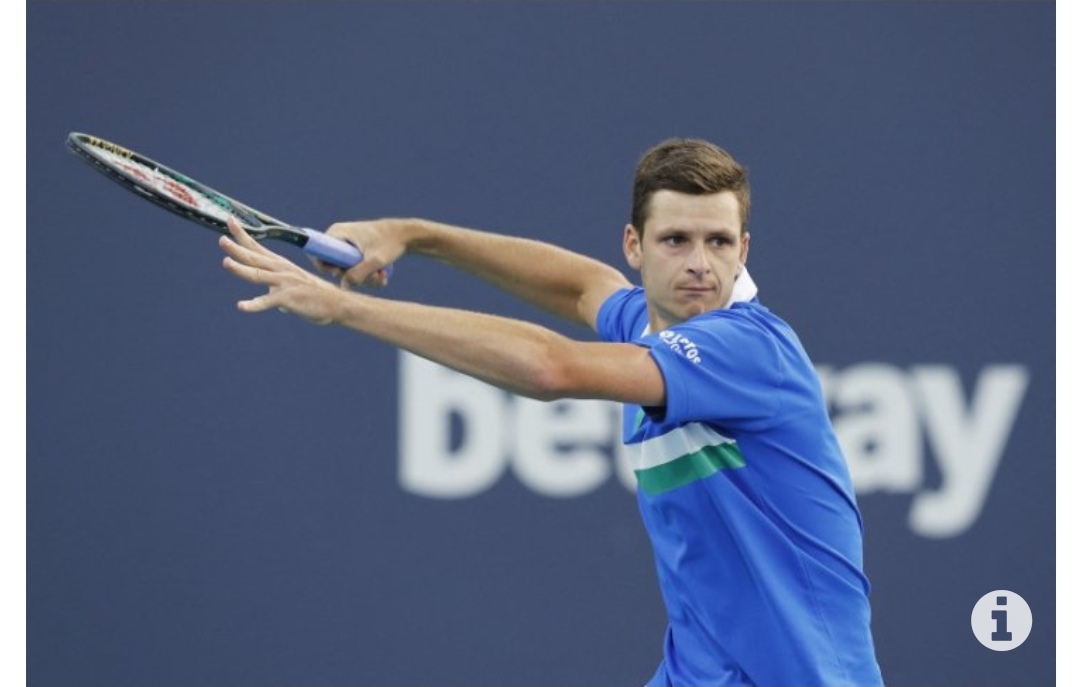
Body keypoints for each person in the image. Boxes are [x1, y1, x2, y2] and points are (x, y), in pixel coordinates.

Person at [219, 138, 884, 687]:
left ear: (744, 250)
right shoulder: (648, 322)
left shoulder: (748, 349)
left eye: (719, 242)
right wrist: (412, 235)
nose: (700, 265)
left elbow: (551, 367)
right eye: (676, 240)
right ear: (634, 245)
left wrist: (344, 307)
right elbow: (581, 287)